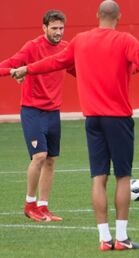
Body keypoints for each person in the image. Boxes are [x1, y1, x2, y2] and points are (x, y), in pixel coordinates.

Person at [12, 0, 139, 251]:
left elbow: (54, 62)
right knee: (123, 177)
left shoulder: (80, 40)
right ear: (118, 17)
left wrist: (26, 68)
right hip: (118, 119)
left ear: (97, 15)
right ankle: (120, 237)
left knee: (98, 177)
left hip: (93, 120)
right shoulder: (125, 40)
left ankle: (103, 238)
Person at [0, 10, 75, 222]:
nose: (58, 32)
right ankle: (29, 204)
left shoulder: (66, 48)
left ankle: (43, 206)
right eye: (54, 28)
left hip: (53, 111)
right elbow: (10, 64)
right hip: (32, 110)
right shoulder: (32, 47)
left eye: (61, 28)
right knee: (39, 156)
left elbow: (75, 70)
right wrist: (12, 72)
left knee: (50, 160)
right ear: (44, 28)